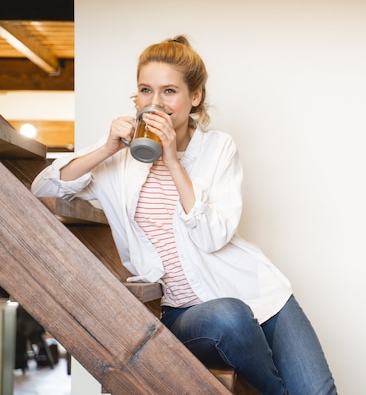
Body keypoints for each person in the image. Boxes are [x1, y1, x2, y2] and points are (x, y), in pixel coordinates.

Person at [31, 35, 338, 395]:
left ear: (195, 97)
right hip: (190, 313)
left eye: (169, 91)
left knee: (319, 392)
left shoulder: (217, 147)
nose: (156, 103)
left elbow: (212, 236)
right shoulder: (119, 157)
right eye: (146, 90)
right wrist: (105, 148)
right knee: (230, 316)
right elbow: (42, 190)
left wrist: (173, 160)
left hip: (260, 293)